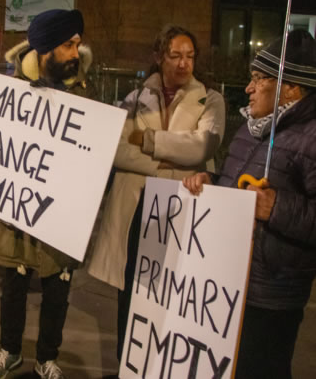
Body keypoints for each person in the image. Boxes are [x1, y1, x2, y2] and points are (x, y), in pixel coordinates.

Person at [85, 25, 226, 366]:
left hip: (179, 215)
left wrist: (149, 143)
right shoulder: (135, 99)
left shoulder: (211, 98)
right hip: (135, 213)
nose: (184, 64)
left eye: (190, 56)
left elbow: (203, 146)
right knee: (131, 295)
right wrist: (171, 165)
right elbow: (116, 150)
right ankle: (127, 366)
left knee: (172, 296)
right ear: (159, 57)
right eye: (175, 55)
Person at [183, 29, 316, 379]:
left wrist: (276, 207)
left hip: (272, 295)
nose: (249, 87)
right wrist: (210, 186)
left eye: (259, 79)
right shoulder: (249, 130)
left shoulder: (312, 138)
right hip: (228, 282)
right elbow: (233, 187)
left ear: (292, 87)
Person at [0, 9, 91, 379]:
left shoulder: (84, 95)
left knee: (57, 293)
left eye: (77, 43)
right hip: (16, 217)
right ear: (44, 50)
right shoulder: (8, 95)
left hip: (60, 220)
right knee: (12, 289)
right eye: (67, 44)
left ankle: (47, 358)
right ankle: (9, 350)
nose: (76, 52)